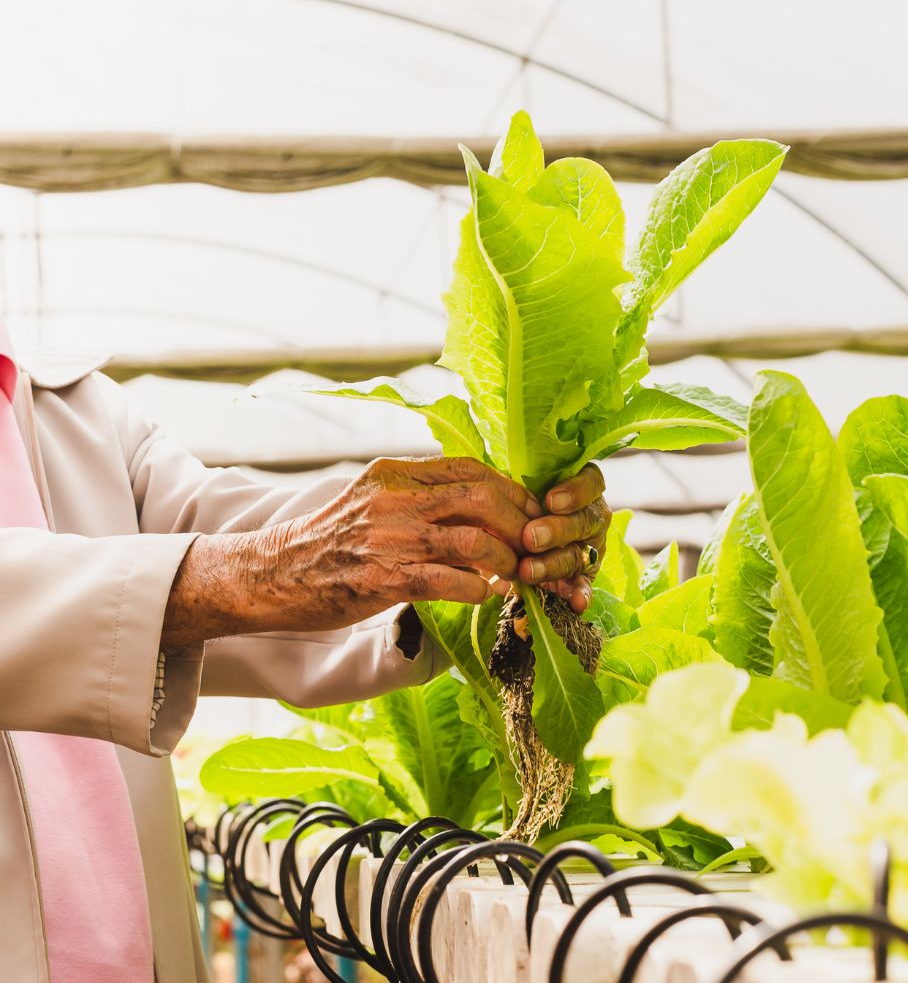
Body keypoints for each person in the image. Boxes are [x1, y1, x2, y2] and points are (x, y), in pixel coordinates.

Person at [0, 323, 611, 983]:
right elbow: (219, 572)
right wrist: (262, 570)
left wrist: (465, 555)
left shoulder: (67, 402)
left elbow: (220, 536)